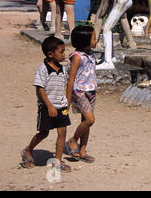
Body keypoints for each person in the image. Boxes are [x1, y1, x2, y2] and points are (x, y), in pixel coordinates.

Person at [21, 36, 71, 172]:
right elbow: (40, 89)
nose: (63, 54)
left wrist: (66, 102)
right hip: (47, 107)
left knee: (62, 132)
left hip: (61, 106)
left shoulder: (62, 68)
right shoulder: (42, 69)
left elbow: (66, 85)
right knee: (44, 133)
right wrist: (49, 106)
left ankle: (58, 161)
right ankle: (28, 150)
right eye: (61, 52)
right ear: (50, 54)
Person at [65, 25, 98, 163]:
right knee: (90, 120)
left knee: (86, 123)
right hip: (79, 92)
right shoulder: (77, 57)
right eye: (93, 38)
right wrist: (67, 100)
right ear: (85, 41)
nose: (96, 41)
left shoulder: (90, 54)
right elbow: (70, 79)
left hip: (91, 90)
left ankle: (83, 151)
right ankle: (73, 140)